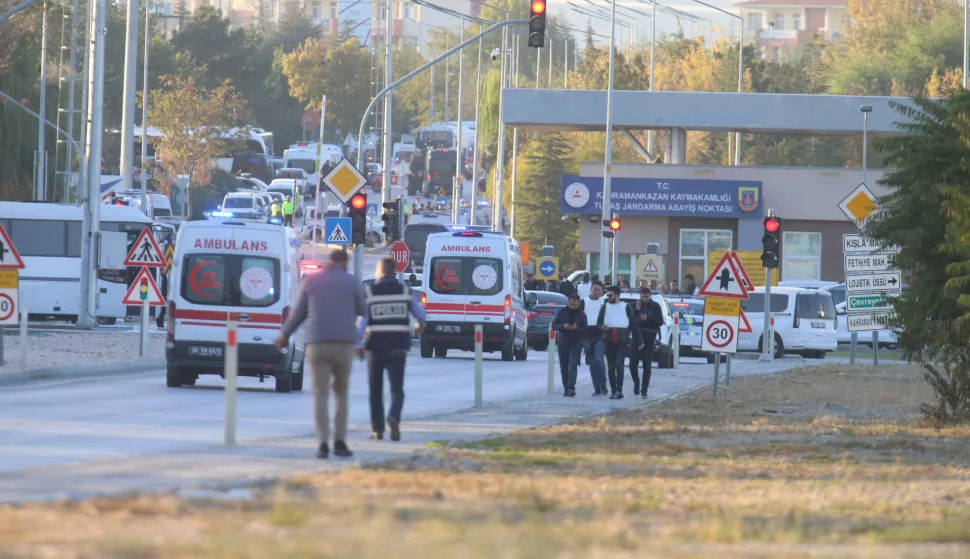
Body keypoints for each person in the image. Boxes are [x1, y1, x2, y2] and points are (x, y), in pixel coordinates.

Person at [275, 249, 365, 459]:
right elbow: (362, 309)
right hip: (344, 344)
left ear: (329, 262)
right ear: (345, 263)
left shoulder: (311, 281)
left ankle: (323, 444)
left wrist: (284, 335)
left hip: (317, 344)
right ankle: (340, 442)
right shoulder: (353, 282)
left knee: (320, 394)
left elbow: (298, 314)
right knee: (341, 393)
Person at [357, 257, 426, 441]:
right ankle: (394, 416)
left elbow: (362, 323)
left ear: (381, 271)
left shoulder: (371, 292)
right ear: (394, 271)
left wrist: (358, 345)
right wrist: (419, 324)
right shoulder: (404, 291)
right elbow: (420, 314)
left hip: (375, 347)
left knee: (375, 389)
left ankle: (378, 430)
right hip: (398, 346)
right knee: (397, 388)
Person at [596, 285, 643, 399]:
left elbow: (633, 324)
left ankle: (619, 390)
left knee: (619, 365)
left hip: (622, 342)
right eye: (607, 295)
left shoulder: (626, 307)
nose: (608, 297)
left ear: (617, 296)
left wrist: (640, 341)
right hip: (609, 341)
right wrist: (602, 328)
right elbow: (599, 323)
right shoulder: (604, 307)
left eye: (610, 295)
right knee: (611, 367)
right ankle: (613, 390)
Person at [629, 287, 663, 399]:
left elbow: (660, 321)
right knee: (633, 362)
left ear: (650, 295)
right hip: (637, 337)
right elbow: (630, 320)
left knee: (647, 365)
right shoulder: (635, 305)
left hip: (649, 336)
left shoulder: (655, 306)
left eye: (647, 296)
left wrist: (648, 318)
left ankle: (644, 390)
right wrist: (637, 312)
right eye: (642, 297)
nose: (644, 299)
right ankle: (636, 382)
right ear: (640, 296)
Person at [551, 294, 587, 397]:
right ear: (568, 302)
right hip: (563, 342)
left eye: (575, 304)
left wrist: (577, 328)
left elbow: (585, 330)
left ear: (578, 303)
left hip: (576, 343)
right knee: (564, 366)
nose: (573, 306)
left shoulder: (582, 314)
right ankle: (566, 387)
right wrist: (563, 326)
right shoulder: (561, 312)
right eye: (571, 304)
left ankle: (571, 387)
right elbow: (554, 325)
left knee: (573, 366)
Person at [581, 281, 609, 396]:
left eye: (599, 290)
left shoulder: (605, 303)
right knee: (592, 364)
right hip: (587, 336)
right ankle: (596, 387)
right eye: (595, 289)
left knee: (599, 360)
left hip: (601, 335)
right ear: (591, 289)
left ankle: (603, 384)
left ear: (602, 292)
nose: (596, 291)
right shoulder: (584, 302)